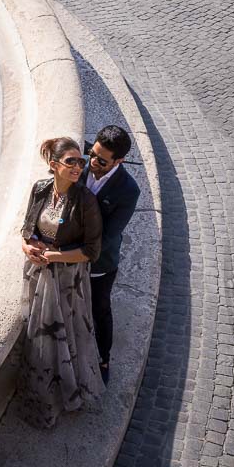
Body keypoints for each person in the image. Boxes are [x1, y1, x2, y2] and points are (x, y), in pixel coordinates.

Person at [12, 137, 104, 428]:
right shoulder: (40, 188)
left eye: (81, 161)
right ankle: (41, 389)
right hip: (40, 271)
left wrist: (53, 256)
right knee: (39, 330)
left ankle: (69, 389)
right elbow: (28, 227)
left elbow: (91, 251)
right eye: (71, 162)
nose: (79, 167)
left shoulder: (85, 200)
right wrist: (27, 246)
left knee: (68, 331)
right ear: (54, 165)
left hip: (67, 276)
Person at [82, 125, 141, 385]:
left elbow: (109, 235)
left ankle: (104, 358)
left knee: (100, 309)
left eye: (102, 161)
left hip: (100, 264)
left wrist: (74, 254)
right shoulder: (82, 163)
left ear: (120, 160)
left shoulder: (129, 191)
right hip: (72, 253)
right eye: (92, 154)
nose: (93, 162)